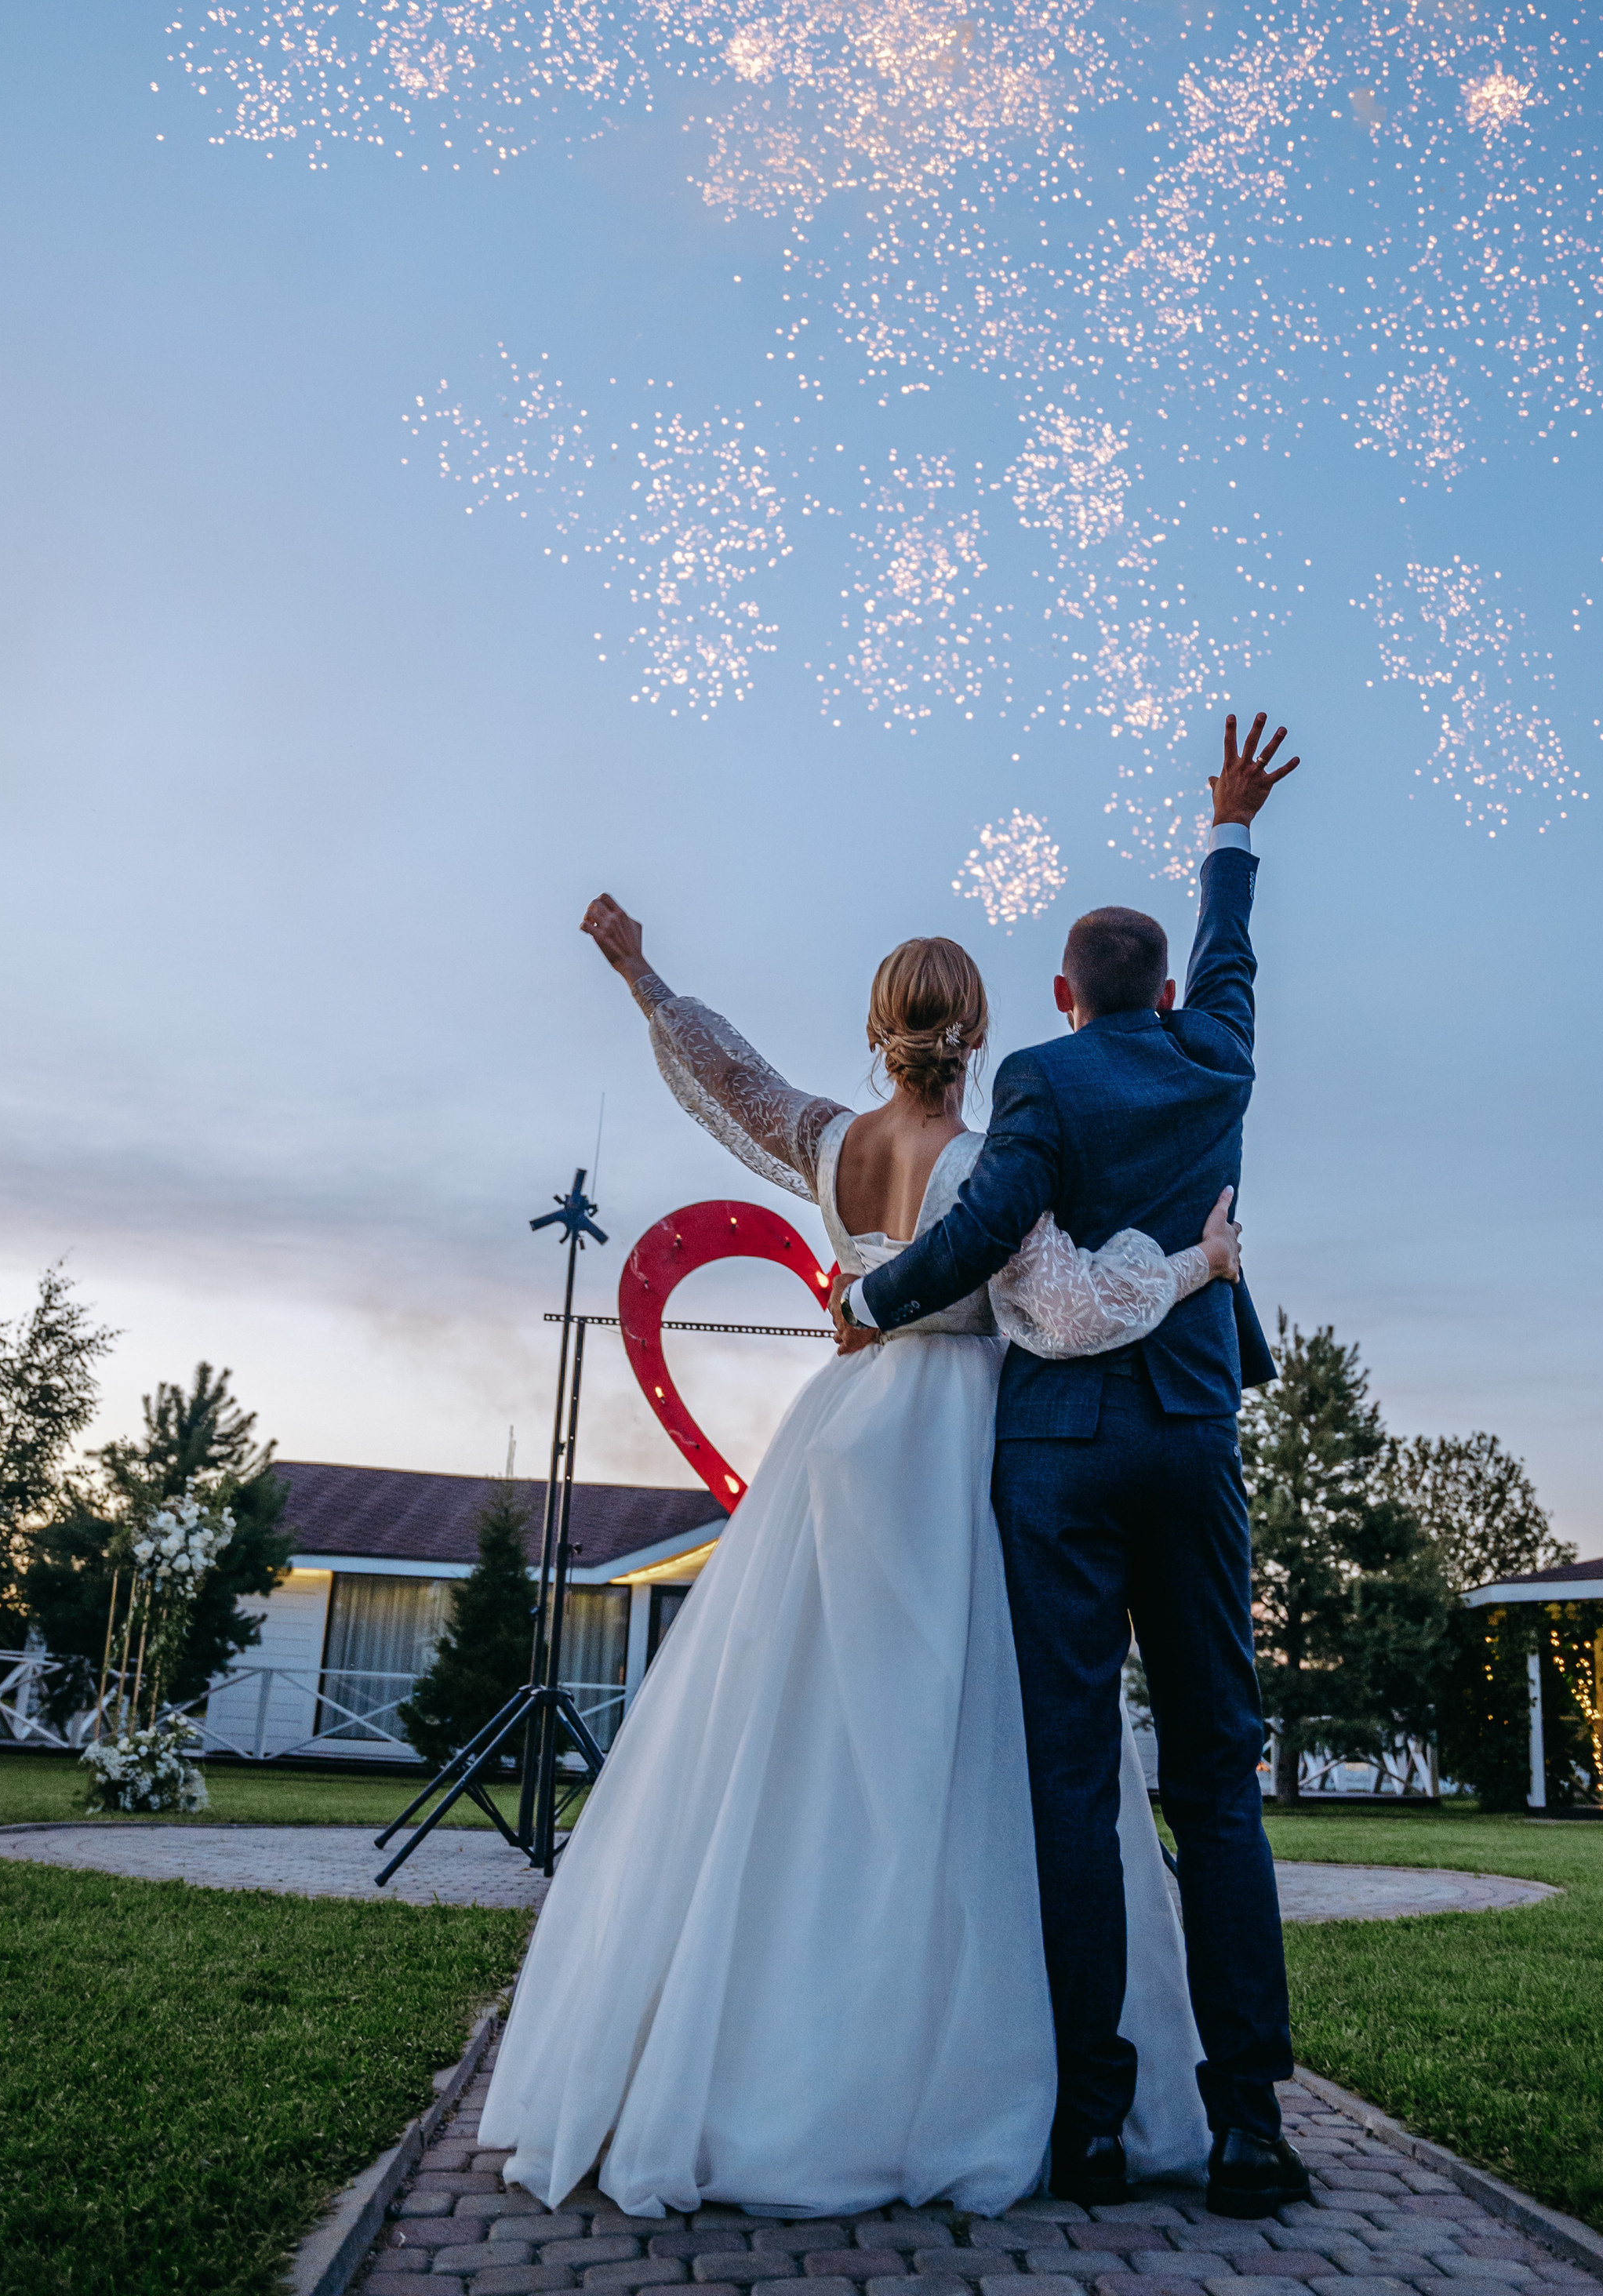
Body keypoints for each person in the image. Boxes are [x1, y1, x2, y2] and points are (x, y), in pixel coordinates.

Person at [476, 899, 1241, 2217]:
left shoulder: (830, 1145)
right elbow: (1064, 1310)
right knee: (971, 1753)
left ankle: (764, 2055)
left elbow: (731, 1077)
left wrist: (643, 975)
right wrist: (1194, 1264)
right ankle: (974, 2075)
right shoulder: (996, 1163)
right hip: (957, 1459)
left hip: (839, 1446)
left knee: (799, 1744)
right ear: (980, 1033)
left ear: (880, 1031)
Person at [846, 713, 1309, 2219]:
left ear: (1061, 995)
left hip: (1056, 1458)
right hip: (1191, 1444)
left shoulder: (1041, 1082)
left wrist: (872, 1301)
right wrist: (1230, 830)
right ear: (1165, 995)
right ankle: (1250, 2127)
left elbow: (988, 1233)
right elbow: (1234, 959)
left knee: (1069, 1781)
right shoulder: (1215, 1057)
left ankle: (1092, 2128)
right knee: (1219, 1777)